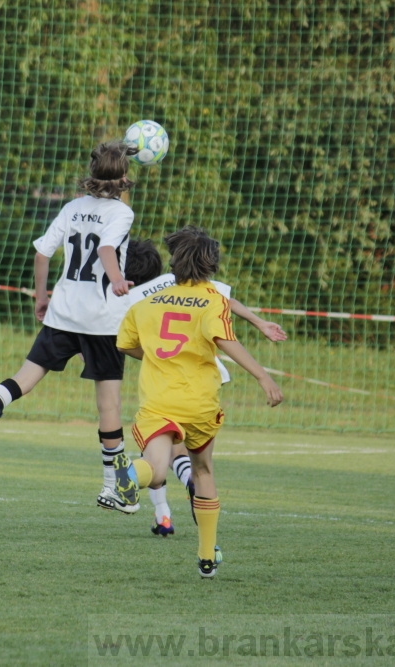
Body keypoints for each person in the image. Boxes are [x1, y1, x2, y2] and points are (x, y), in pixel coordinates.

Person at [0, 141, 142, 514]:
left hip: (63, 312)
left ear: (91, 173)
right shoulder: (121, 213)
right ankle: (111, 488)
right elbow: (105, 251)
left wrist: (40, 296)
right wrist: (116, 280)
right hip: (102, 319)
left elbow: (42, 253)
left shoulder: (71, 207)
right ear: (123, 179)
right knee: (109, 405)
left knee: (22, 380)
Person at [113, 226, 284, 577]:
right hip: (199, 405)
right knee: (203, 470)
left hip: (159, 402)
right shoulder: (213, 300)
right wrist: (263, 376)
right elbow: (225, 341)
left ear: (175, 262)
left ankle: (130, 473)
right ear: (211, 266)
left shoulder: (147, 304)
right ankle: (207, 556)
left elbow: (127, 345)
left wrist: (158, 359)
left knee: (156, 467)